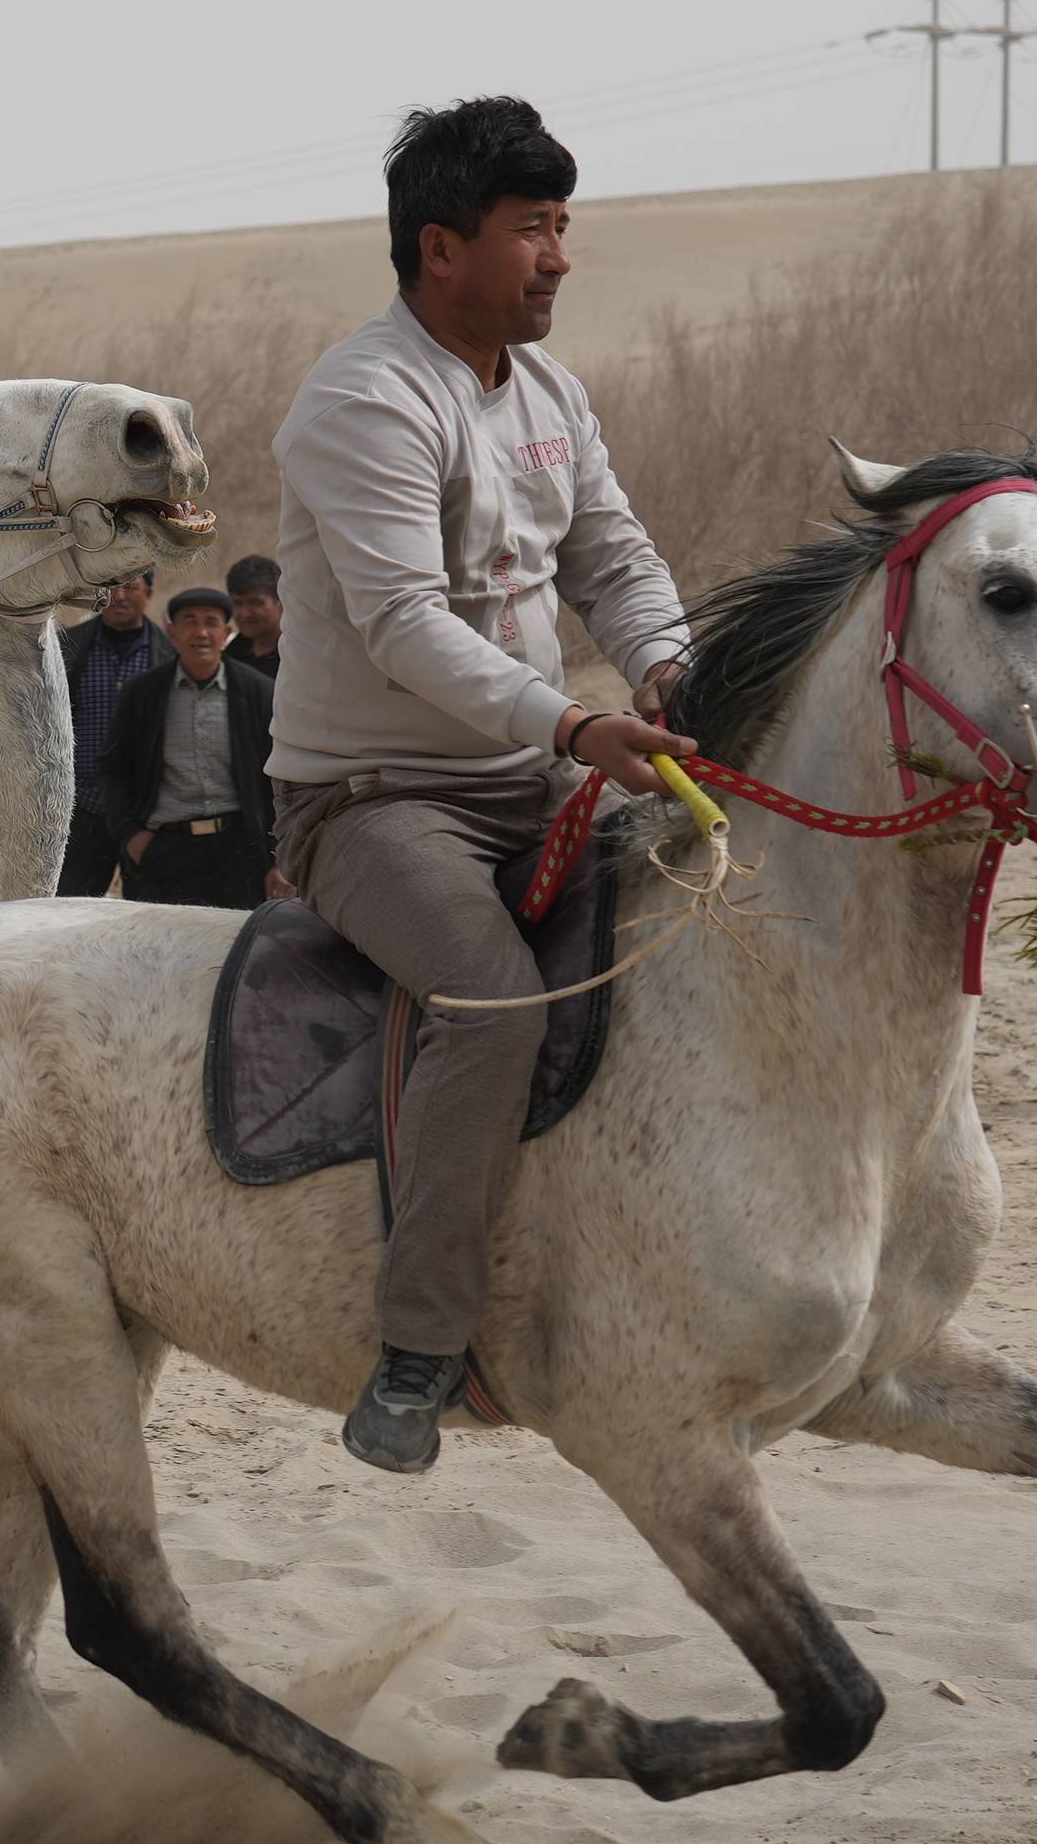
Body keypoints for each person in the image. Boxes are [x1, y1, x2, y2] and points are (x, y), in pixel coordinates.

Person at [269, 96, 697, 1475]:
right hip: (375, 798)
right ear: (441, 248)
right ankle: (418, 1348)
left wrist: (671, 670)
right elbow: (401, 622)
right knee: (495, 999)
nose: (560, 256)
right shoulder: (364, 398)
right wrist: (575, 728)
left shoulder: (554, 394)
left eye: (565, 226)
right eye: (533, 230)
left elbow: (616, 562)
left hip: (539, 770)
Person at [101, 586, 277, 908]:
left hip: (239, 851)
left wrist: (276, 858)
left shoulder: (258, 693)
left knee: (234, 949)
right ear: (172, 632)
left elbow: (277, 778)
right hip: (164, 850)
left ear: (226, 633)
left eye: (211, 622)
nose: (201, 633)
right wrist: (132, 837)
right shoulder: (142, 694)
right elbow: (114, 770)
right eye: (189, 622)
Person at [55, 573, 167, 894]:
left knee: (146, 915)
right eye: (110, 587)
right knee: (70, 911)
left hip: (145, 816)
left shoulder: (169, 656)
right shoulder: (68, 646)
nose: (119, 596)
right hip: (82, 809)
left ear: (148, 593)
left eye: (130, 587)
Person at [222, 554, 284, 680]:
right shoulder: (229, 658)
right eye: (237, 603)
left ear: (281, 602)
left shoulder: (298, 656)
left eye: (255, 603)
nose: (245, 614)